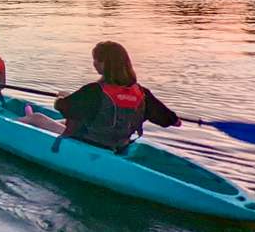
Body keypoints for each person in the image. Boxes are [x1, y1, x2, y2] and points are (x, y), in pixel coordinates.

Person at [26, 41, 181, 150]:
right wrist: (175, 120)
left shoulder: (94, 90)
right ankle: (26, 118)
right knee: (64, 121)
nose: (93, 63)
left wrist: (61, 98)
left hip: (90, 143)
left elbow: (63, 107)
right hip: (121, 143)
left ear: (103, 63)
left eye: (96, 60)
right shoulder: (142, 93)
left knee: (37, 117)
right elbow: (171, 121)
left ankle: (18, 121)